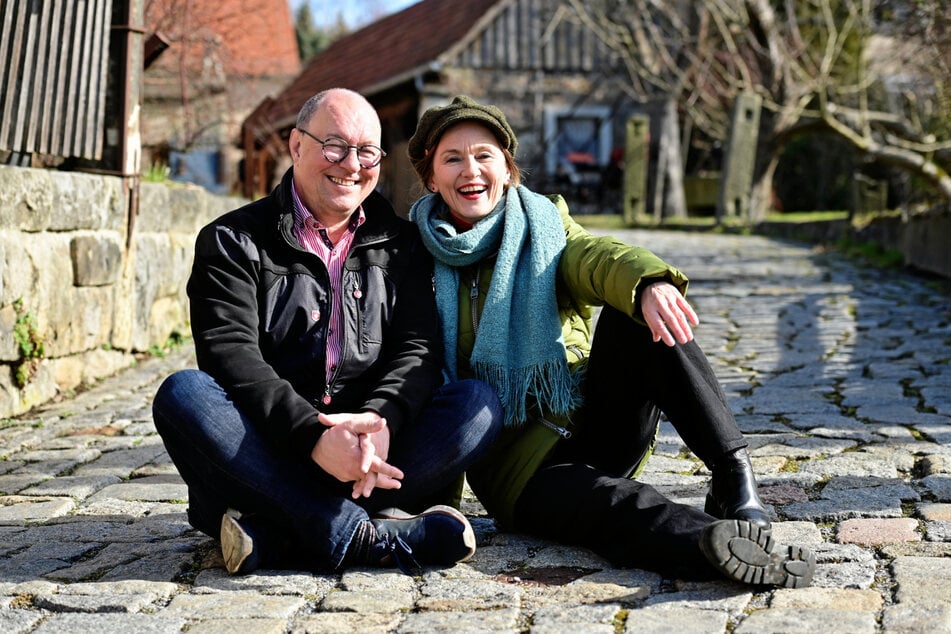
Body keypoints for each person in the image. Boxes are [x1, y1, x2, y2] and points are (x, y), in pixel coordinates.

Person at [405, 95, 817, 587]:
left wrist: (647, 283)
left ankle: (733, 479)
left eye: (484, 155)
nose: (470, 170)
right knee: (613, 505)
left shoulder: (544, 226)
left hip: (592, 417)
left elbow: (593, 256)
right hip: (521, 473)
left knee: (640, 315)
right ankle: (712, 545)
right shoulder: (412, 258)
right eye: (452, 158)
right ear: (432, 178)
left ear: (508, 169)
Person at [152, 89, 503, 577]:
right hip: (269, 453)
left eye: (367, 151)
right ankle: (356, 533)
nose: (352, 165)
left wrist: (381, 423)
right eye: (334, 145)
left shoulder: (403, 245)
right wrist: (312, 436)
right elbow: (230, 356)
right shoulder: (232, 241)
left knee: (476, 405)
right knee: (183, 394)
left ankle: (278, 532)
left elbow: (417, 350)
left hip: (370, 456)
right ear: (297, 146)